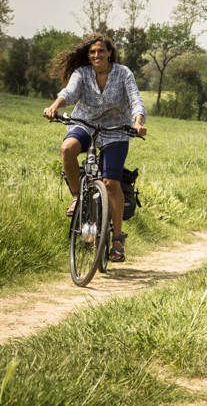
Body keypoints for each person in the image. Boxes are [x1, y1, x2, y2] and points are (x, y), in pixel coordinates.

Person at [43, 32, 147, 263]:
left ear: (110, 52)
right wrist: (55, 106)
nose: (96, 55)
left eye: (101, 50)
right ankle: (78, 197)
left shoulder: (123, 73)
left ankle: (118, 238)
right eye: (92, 52)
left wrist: (138, 122)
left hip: (116, 130)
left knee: (111, 182)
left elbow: (135, 99)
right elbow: (69, 93)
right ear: (88, 55)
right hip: (85, 124)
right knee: (68, 148)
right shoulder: (82, 73)